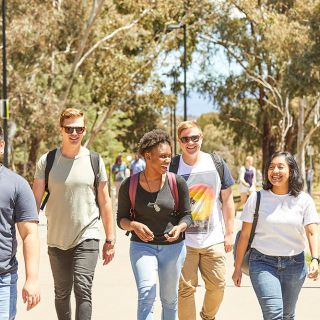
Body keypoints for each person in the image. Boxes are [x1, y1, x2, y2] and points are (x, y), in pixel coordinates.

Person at [32, 108, 115, 320]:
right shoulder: (47, 161)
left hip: (87, 235)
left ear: (85, 130)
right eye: (70, 128)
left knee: (83, 289)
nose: (75, 133)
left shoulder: (94, 160)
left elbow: (105, 201)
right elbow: (34, 203)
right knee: (61, 293)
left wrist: (110, 239)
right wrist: (28, 237)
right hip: (57, 238)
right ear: (61, 129)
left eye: (79, 128)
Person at [233, 151, 319, 320]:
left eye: (281, 167)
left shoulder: (304, 200)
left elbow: (311, 231)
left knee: (287, 315)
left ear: (291, 170)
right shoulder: (257, 198)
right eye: (271, 167)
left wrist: (315, 259)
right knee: (274, 314)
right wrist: (237, 268)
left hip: (295, 264)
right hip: (262, 262)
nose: (275, 171)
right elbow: (244, 236)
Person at [117, 129, 192, 320]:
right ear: (148, 156)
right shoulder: (129, 185)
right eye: (163, 156)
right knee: (146, 296)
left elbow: (187, 216)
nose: (168, 160)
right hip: (142, 248)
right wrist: (134, 225)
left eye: (169, 156)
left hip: (173, 249)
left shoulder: (178, 182)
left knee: (169, 300)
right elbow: (121, 219)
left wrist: (180, 227)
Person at [169, 120, 235, 320]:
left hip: (213, 239)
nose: (191, 142)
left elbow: (228, 198)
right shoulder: (172, 166)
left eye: (195, 138)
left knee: (218, 286)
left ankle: (208, 316)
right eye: (185, 139)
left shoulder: (215, 163)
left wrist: (230, 233)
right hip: (183, 241)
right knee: (185, 290)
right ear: (179, 141)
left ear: (201, 138)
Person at [0, 126, 40, 319]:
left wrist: (31, 279)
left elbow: (29, 234)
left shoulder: (17, 184)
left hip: (3, 279)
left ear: (1, 146)